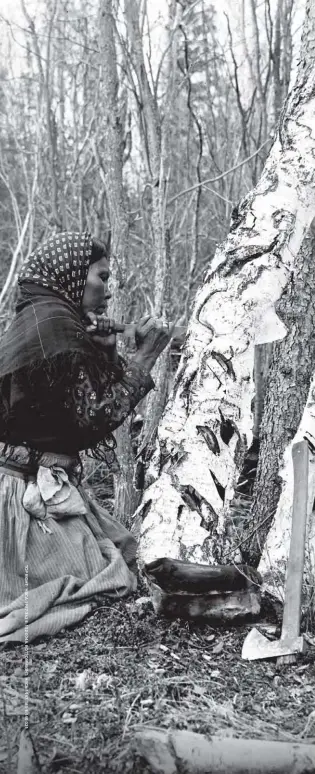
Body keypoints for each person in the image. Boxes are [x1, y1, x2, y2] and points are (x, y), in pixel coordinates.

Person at [0, 231, 171, 643]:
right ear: (74, 277)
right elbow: (91, 419)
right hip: (19, 495)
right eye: (102, 278)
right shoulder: (57, 330)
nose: (108, 292)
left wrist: (109, 351)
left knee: (121, 555)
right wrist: (146, 357)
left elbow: (75, 407)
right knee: (105, 580)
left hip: (34, 483)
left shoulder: (46, 321)